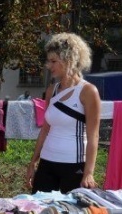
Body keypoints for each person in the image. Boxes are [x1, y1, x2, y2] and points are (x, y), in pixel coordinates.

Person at [25, 33, 101, 194]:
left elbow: (93, 135)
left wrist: (88, 173)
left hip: (74, 165)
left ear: (69, 60)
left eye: (53, 61)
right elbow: (45, 129)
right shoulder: (51, 90)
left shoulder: (88, 91)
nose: (48, 66)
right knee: (40, 212)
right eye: (48, 61)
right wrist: (33, 162)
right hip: (47, 162)